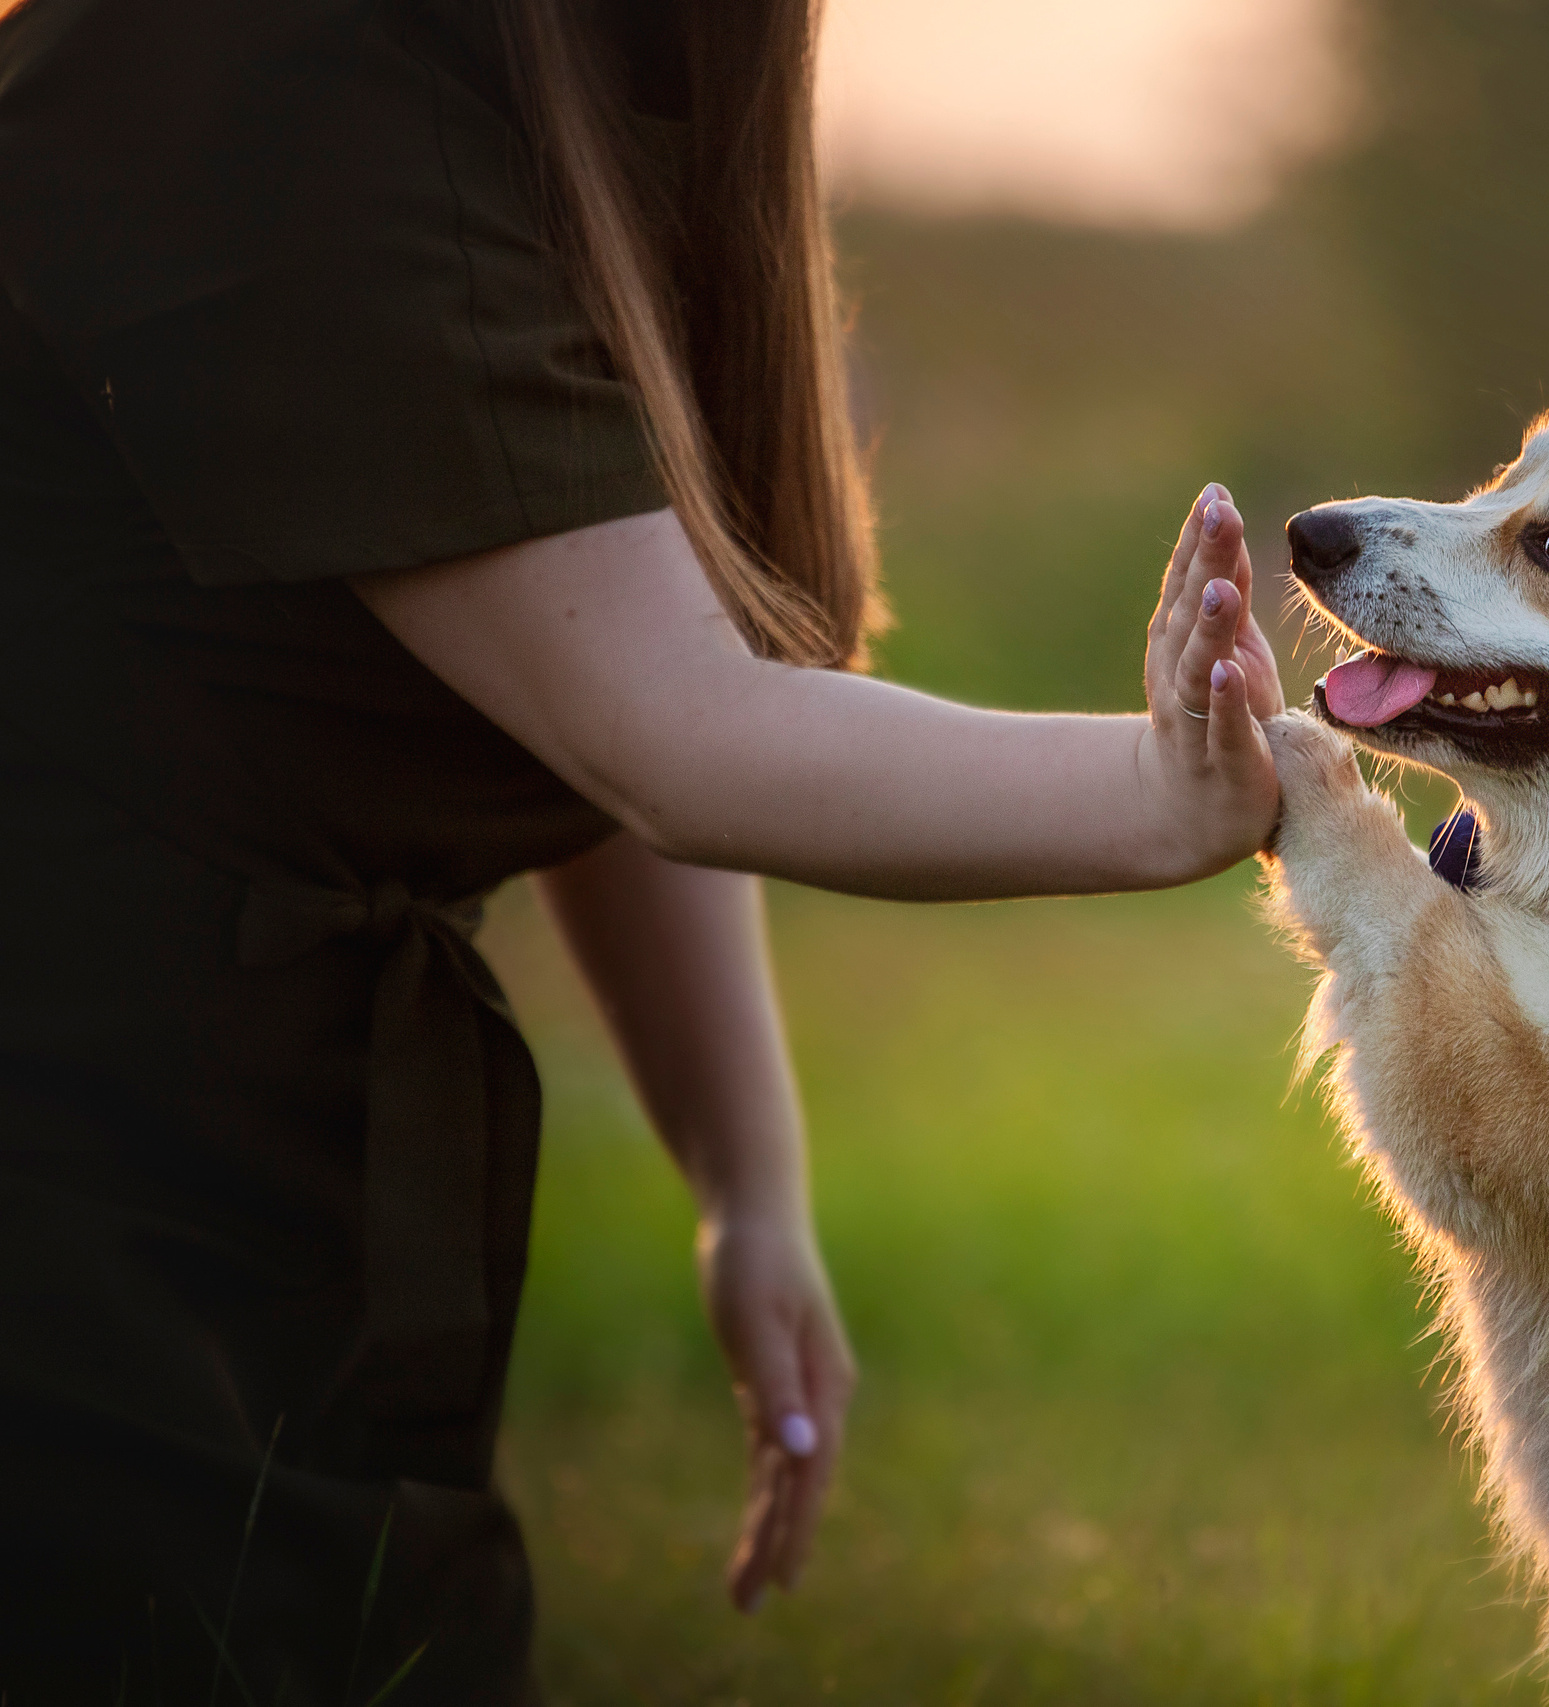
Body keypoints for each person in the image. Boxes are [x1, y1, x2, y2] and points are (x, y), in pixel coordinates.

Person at [0, 0, 1286, 1698]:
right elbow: (668, 726)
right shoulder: (261, 62)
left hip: (278, 1102)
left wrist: (746, 1182)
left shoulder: (616, 73)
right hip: (72, 1110)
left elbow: (575, 666)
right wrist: (1171, 793)